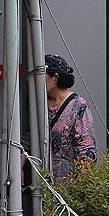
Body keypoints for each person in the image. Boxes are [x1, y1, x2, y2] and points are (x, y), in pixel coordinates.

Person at [44, 54, 97, 183]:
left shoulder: (78, 105)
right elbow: (27, 138)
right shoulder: (38, 102)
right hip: (39, 181)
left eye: (42, 76)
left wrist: (81, 184)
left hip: (67, 182)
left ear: (55, 77)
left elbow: (86, 147)